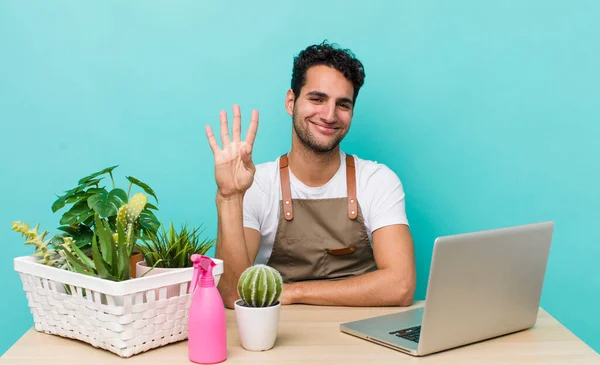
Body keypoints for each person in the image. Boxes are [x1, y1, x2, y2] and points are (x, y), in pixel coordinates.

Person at [205, 41, 416, 308]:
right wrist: (229, 197)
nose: (329, 115)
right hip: (277, 339)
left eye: (343, 105)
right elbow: (233, 294)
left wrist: (292, 293)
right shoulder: (257, 184)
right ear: (291, 102)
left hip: (362, 339)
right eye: (317, 99)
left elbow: (400, 285)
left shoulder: (377, 181)